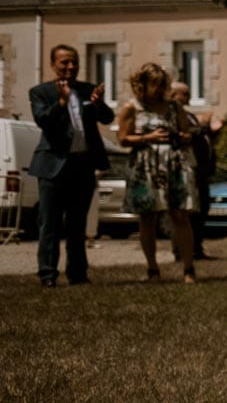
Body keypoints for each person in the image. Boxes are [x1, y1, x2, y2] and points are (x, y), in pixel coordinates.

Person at [27, 44, 113, 288]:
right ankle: (48, 275)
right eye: (65, 62)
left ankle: (77, 274)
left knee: (77, 224)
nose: (71, 67)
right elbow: (43, 120)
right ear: (53, 64)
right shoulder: (40, 92)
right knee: (50, 224)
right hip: (52, 166)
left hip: (82, 166)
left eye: (74, 62)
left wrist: (99, 105)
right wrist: (62, 103)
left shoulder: (87, 90)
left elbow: (107, 118)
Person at [117, 63, 201, 284]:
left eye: (162, 84)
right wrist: (148, 138)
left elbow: (187, 133)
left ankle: (188, 269)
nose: (159, 89)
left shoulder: (174, 107)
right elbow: (123, 139)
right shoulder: (132, 107)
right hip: (146, 166)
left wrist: (181, 136)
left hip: (173, 164)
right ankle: (152, 269)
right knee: (148, 217)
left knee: (180, 215)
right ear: (142, 84)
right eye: (155, 84)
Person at [169, 81, 218, 260]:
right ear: (173, 96)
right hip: (186, 169)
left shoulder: (188, 115)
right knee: (186, 212)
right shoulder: (172, 114)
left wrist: (211, 132)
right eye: (185, 93)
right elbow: (185, 135)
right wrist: (204, 125)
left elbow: (198, 137)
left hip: (200, 170)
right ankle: (182, 251)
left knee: (200, 210)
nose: (188, 97)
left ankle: (197, 248)